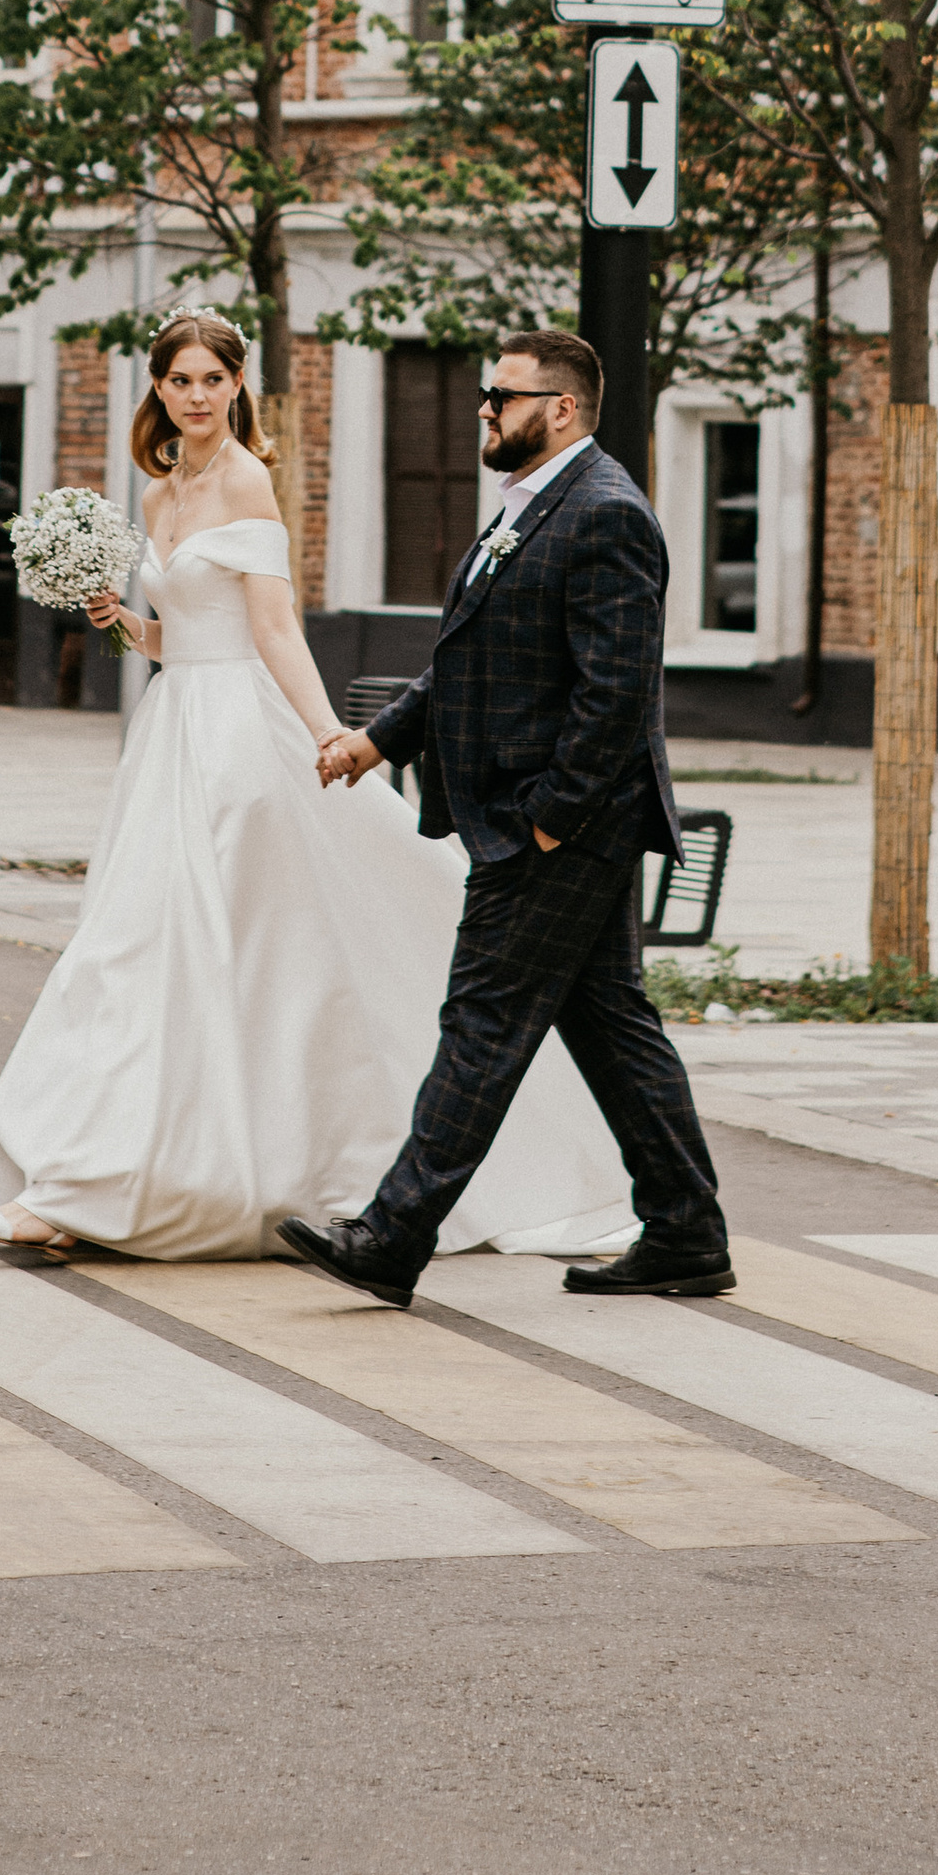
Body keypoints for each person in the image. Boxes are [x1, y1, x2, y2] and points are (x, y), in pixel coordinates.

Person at [0, 308, 628, 1261]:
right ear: (158, 389)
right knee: (132, 952)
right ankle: (88, 1176)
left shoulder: (243, 480)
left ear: (238, 387)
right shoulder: (160, 494)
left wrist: (332, 736)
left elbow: (272, 630)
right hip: (171, 731)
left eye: (213, 381)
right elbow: (174, 639)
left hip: (236, 741)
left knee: (219, 957)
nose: (196, 397)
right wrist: (120, 622)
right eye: (179, 381)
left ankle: (117, 1186)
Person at [287, 331, 732, 1309]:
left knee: (481, 1021)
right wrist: (378, 742)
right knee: (612, 1026)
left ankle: (391, 1233)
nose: (483, 410)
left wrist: (547, 821)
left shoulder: (605, 516)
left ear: (561, 409)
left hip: (560, 828)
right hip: (552, 822)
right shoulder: (537, 509)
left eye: (501, 395)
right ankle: (688, 1231)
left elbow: (615, 695)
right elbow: (469, 658)